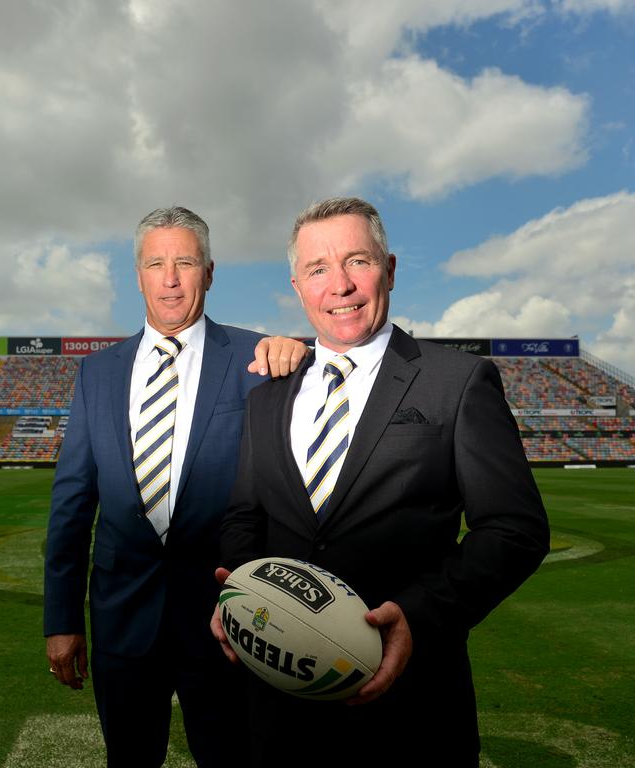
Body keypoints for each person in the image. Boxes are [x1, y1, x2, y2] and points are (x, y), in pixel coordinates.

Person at [212, 196, 550, 767]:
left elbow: (514, 529)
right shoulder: (268, 396)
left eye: (357, 262)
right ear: (297, 287)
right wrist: (237, 593)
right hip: (280, 708)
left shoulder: (458, 381)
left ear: (389, 268)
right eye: (318, 269)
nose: (339, 285)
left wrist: (420, 615)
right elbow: (245, 515)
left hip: (411, 707)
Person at [44, 205, 308, 767]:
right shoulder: (98, 372)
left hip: (226, 619)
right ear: (136, 273)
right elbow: (71, 505)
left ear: (209, 271)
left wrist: (301, 355)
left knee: (233, 757)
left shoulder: (256, 358)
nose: (169, 279)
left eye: (184, 262)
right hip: (122, 616)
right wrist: (62, 620)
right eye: (155, 263)